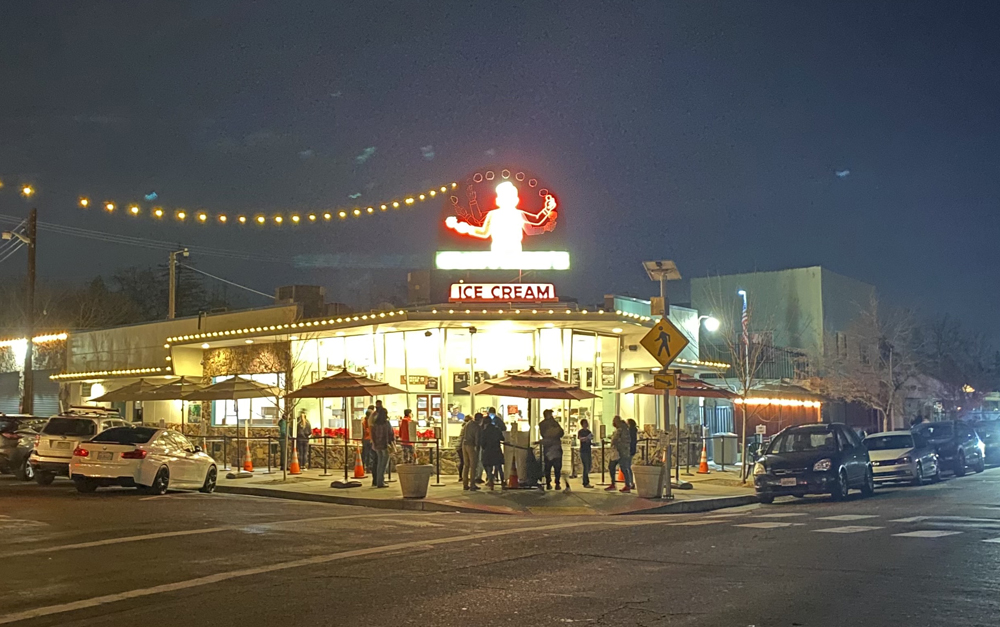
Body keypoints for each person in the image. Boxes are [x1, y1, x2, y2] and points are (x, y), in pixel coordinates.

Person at [538, 409, 565, 490]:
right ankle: (551, 483)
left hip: (553, 447)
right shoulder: (545, 424)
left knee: (553, 466)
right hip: (551, 447)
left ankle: (553, 483)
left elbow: (561, 432)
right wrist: (554, 432)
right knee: (551, 466)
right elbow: (559, 433)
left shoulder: (553, 423)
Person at [606, 416, 631, 493]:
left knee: (623, 468)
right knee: (611, 466)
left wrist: (617, 443)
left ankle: (627, 485)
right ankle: (613, 483)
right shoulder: (619, 429)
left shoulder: (623, 430)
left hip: (621, 452)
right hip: (616, 452)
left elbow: (624, 441)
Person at [370, 409, 394, 488]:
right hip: (385, 445)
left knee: (379, 463)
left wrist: (374, 443)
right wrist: (392, 442)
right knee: (384, 464)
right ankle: (381, 481)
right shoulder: (386, 423)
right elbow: (390, 433)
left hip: (377, 445)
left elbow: (372, 434)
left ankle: (378, 481)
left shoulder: (375, 424)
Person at [480, 414, 505, 490]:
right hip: (497, 450)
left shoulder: (484, 431)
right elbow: (502, 438)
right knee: (499, 466)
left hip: (488, 450)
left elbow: (482, 442)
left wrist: (484, 448)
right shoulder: (497, 429)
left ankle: (491, 482)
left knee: (489, 467)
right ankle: (503, 482)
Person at [462, 413, 483, 491]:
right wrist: (477, 448)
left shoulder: (468, 424)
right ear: (480, 419)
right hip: (471, 446)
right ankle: (472, 484)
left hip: (464, 444)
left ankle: (465, 484)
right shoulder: (477, 427)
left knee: (466, 465)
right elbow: (477, 439)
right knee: (473, 465)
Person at [577, 418, 593, 488]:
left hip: (588, 450)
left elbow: (590, 439)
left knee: (589, 466)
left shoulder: (589, 431)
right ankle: (585, 482)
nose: (586, 424)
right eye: (585, 423)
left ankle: (586, 481)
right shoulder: (580, 431)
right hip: (583, 451)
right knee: (586, 466)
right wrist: (586, 438)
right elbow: (580, 439)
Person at [362, 405, 375, 473]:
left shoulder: (364, 421)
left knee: (366, 453)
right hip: (369, 439)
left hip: (365, 439)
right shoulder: (369, 421)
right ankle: (369, 467)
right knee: (369, 454)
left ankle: (367, 466)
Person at [627, 419, 639, 489]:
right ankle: (630, 482)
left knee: (627, 467)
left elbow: (630, 441)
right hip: (632, 450)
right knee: (628, 466)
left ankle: (630, 482)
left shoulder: (630, 431)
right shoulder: (633, 431)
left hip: (629, 450)